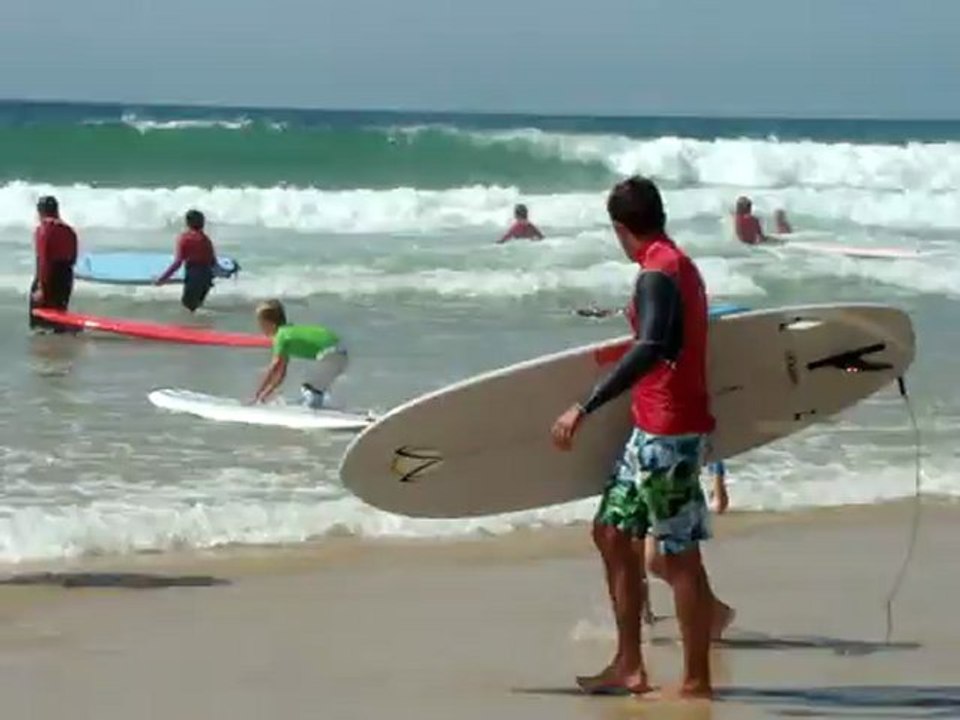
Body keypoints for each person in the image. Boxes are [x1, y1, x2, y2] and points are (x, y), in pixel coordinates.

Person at [551, 176, 726, 698]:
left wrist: (584, 406)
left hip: (667, 433)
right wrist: (623, 350)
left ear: (621, 228)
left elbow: (654, 345)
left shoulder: (656, 273)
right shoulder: (678, 266)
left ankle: (697, 680)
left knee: (677, 554)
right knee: (610, 531)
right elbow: (664, 338)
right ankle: (629, 664)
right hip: (650, 429)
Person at [253, 300, 348, 409]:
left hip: (330, 352)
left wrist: (258, 393)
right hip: (341, 352)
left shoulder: (281, 335)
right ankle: (322, 409)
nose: (260, 328)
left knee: (310, 389)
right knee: (316, 389)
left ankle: (312, 413)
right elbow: (281, 374)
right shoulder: (288, 332)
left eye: (261, 324)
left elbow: (274, 366)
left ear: (270, 324)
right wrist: (264, 395)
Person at [30, 196, 78, 331]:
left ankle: (44, 347)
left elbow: (44, 259)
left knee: (40, 320)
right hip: (66, 275)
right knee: (59, 315)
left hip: (49, 274)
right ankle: (60, 345)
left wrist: (41, 286)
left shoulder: (43, 229)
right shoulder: (69, 230)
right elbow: (73, 258)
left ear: (41, 211)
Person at [155, 209, 218, 312]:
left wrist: (162, 279)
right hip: (206, 278)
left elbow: (178, 262)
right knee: (197, 307)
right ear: (203, 223)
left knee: (188, 309)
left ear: (187, 223)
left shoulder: (185, 238)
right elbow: (212, 262)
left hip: (193, 277)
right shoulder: (206, 240)